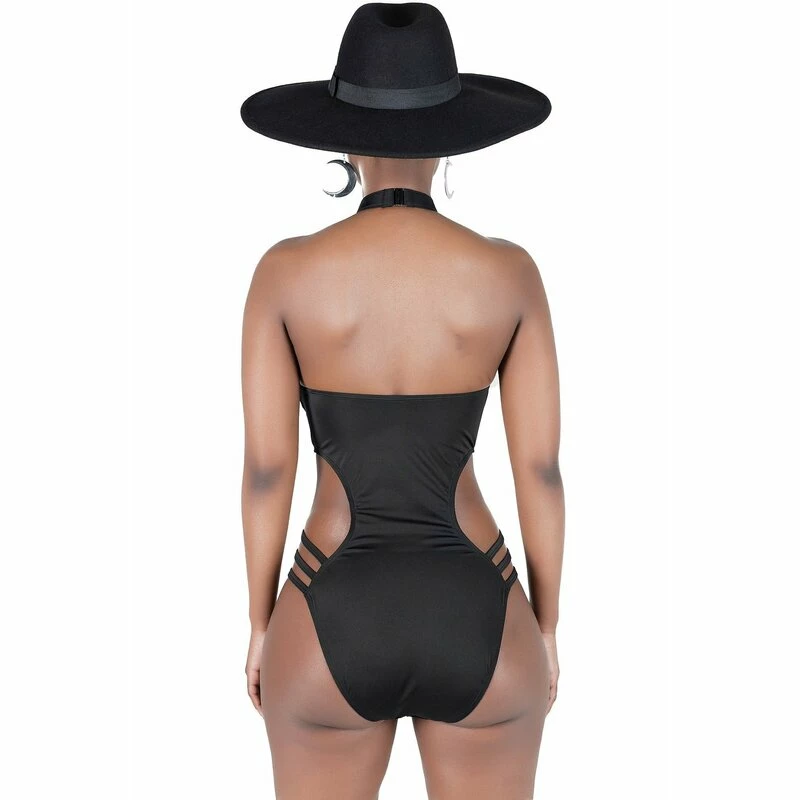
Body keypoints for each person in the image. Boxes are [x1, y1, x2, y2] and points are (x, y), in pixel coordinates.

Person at [239, 3, 564, 797]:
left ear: (344, 140)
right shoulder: (509, 273)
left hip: (327, 599)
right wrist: (547, 628)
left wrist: (259, 624)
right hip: (480, 605)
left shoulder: (285, 273)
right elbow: (541, 471)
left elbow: (267, 470)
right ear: (449, 139)